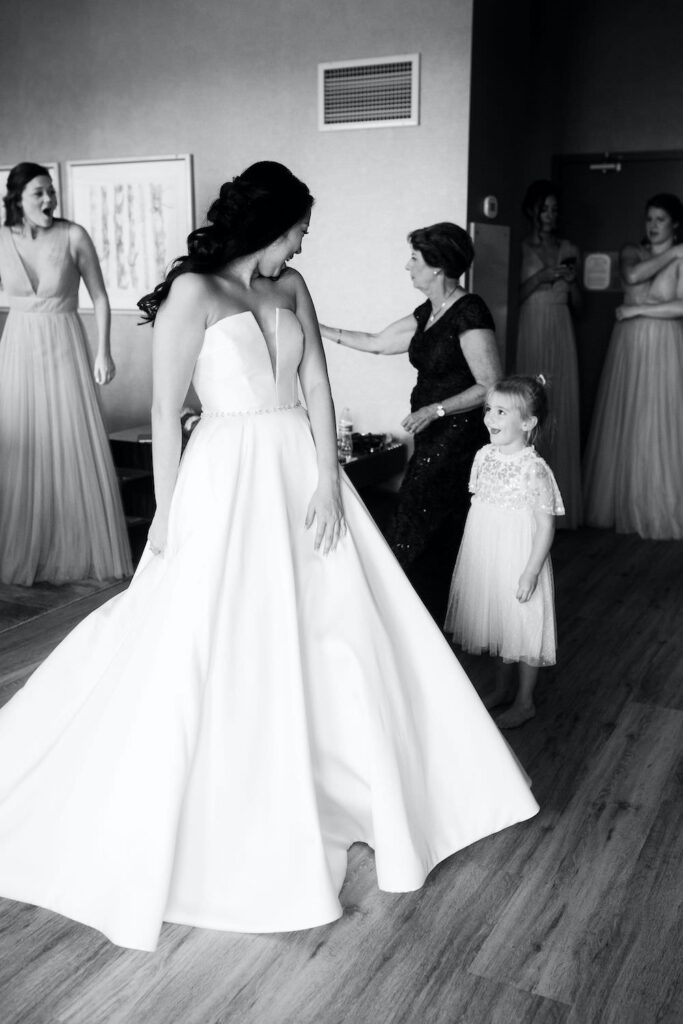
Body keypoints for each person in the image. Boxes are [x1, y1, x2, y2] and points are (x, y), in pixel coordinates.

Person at [0, 163, 539, 952]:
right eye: (296, 232)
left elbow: (317, 382)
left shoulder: (291, 287)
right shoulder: (195, 292)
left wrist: (327, 478)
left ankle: (363, 774)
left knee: (341, 622)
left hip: (297, 465)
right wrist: (166, 513)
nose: (301, 245)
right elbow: (164, 408)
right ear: (269, 226)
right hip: (226, 471)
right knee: (218, 627)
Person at [319, 222, 502, 621]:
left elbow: (490, 385)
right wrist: (317, 329)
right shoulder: (429, 313)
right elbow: (377, 342)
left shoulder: (469, 311)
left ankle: (404, 617)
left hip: (457, 438)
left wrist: (436, 410)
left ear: (437, 267)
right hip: (431, 436)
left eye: (414, 259)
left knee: (415, 520)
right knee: (430, 523)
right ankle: (428, 615)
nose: (407, 266)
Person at [0, 162, 131, 584]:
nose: (49, 199)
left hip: (64, 345)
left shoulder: (73, 235)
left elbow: (100, 297)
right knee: (24, 442)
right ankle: (26, 547)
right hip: (18, 347)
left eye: (51, 191)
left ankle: (73, 547)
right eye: (39, 192)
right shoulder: (1, 240)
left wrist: (103, 351)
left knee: (69, 442)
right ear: (17, 198)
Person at [445, 376, 564, 729]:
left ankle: (525, 701)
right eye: (489, 409)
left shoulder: (534, 469)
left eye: (501, 412)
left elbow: (545, 526)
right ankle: (501, 689)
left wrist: (531, 571)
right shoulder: (484, 456)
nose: (490, 418)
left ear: (527, 423)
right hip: (488, 552)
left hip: (519, 556)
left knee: (522, 628)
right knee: (499, 621)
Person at [583, 193, 683, 540]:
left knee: (660, 416)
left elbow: (681, 306)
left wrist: (637, 310)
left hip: (665, 344)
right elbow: (633, 275)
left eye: (661, 219)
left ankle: (659, 503)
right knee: (628, 414)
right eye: (649, 218)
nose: (653, 226)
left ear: (674, 224)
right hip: (629, 346)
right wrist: (675, 252)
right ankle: (622, 501)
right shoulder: (632, 251)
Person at [515, 180, 582, 528]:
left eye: (555, 209)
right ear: (533, 211)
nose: (550, 215)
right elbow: (512, 296)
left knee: (560, 403)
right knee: (532, 403)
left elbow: (580, 304)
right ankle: (528, 501)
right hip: (532, 323)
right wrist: (541, 276)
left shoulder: (568, 247)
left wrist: (570, 284)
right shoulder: (522, 247)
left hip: (560, 323)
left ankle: (560, 500)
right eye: (545, 209)